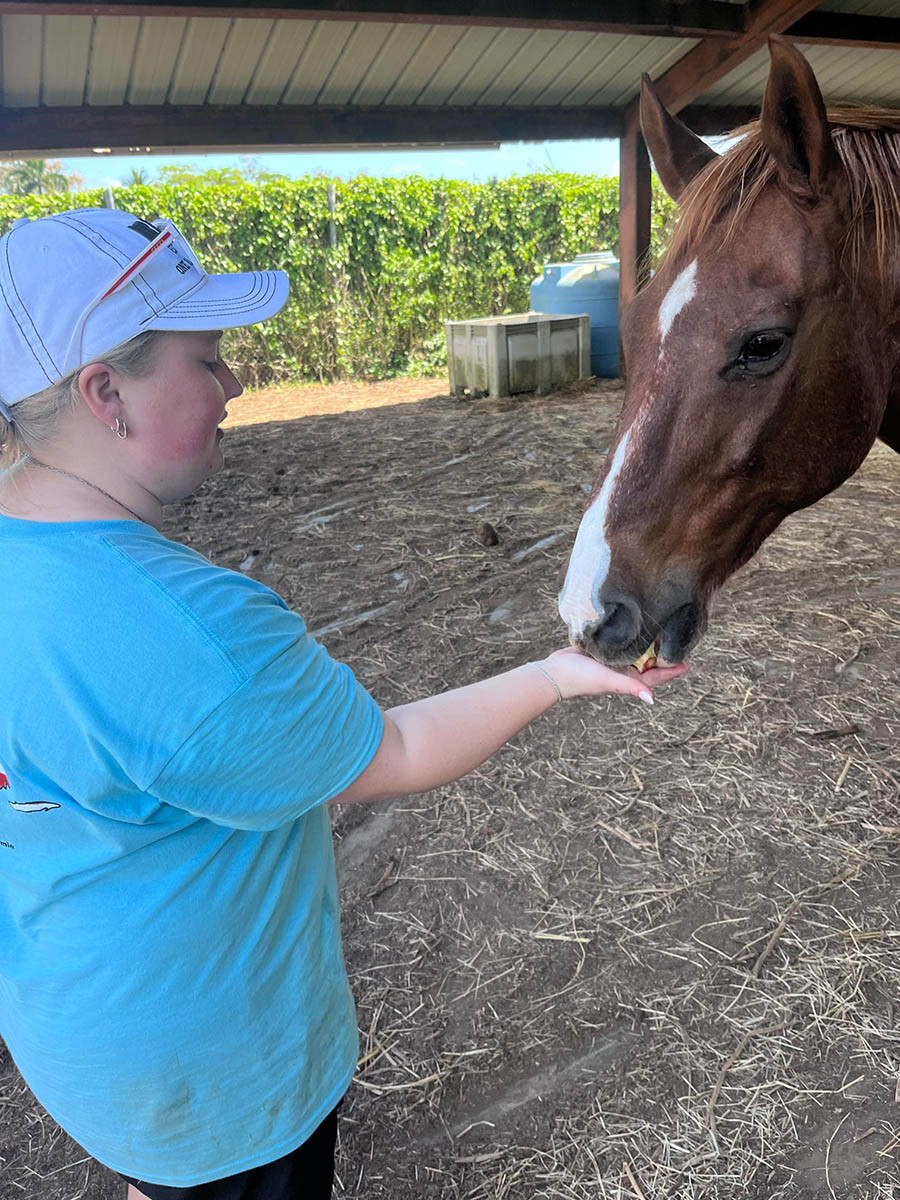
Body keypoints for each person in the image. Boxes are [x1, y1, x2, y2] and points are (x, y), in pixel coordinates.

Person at [0, 208, 687, 1200]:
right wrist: (554, 675)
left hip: (79, 1032)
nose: (236, 383)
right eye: (208, 359)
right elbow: (390, 749)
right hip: (220, 1077)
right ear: (107, 394)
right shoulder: (190, 635)